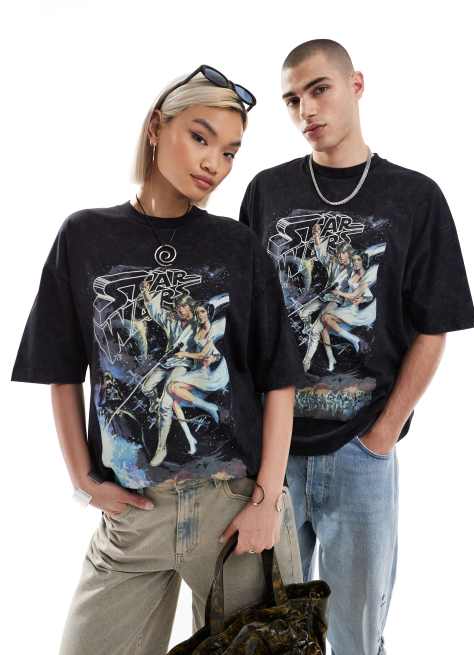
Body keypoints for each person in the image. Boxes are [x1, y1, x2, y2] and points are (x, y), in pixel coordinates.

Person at [11, 65, 305, 655]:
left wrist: (267, 502)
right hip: (134, 517)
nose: (214, 164)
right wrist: (83, 480)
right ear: (155, 127)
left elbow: (279, 380)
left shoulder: (236, 244)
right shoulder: (85, 236)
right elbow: (61, 368)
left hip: (232, 509)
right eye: (200, 137)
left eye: (230, 152)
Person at [239, 40, 474, 655]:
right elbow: (245, 327)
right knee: (266, 634)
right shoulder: (266, 192)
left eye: (319, 89)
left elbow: (433, 327)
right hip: (273, 456)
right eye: (292, 100)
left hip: (360, 454)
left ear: (356, 84)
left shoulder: (415, 197)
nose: (306, 111)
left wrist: (383, 433)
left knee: (356, 638)